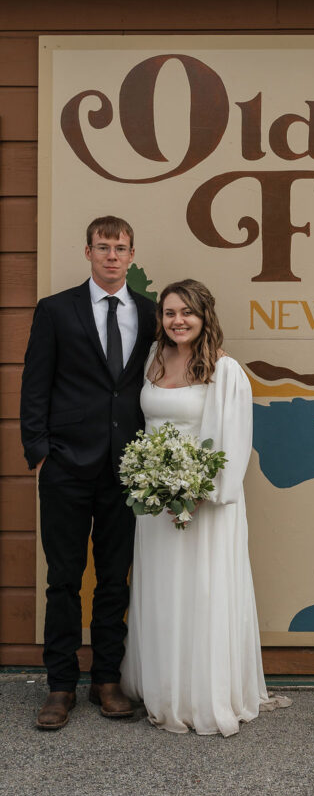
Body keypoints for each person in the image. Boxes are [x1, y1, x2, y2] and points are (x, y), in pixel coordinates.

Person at [120, 279, 289, 735]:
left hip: (205, 503)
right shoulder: (153, 361)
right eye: (170, 312)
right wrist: (152, 481)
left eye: (187, 313)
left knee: (203, 590)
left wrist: (196, 493)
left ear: (204, 316)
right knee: (161, 590)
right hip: (155, 502)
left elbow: (233, 442)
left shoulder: (224, 370)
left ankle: (202, 694)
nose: (178, 321)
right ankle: (162, 685)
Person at [20, 216, 157, 730]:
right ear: (88, 252)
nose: (112, 256)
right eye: (103, 247)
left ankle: (106, 679)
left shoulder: (147, 313)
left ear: (131, 252)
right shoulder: (56, 310)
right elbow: (36, 382)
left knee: (114, 581)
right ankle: (60, 686)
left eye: (121, 248)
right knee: (63, 578)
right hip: (66, 466)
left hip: (125, 467)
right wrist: (38, 449)